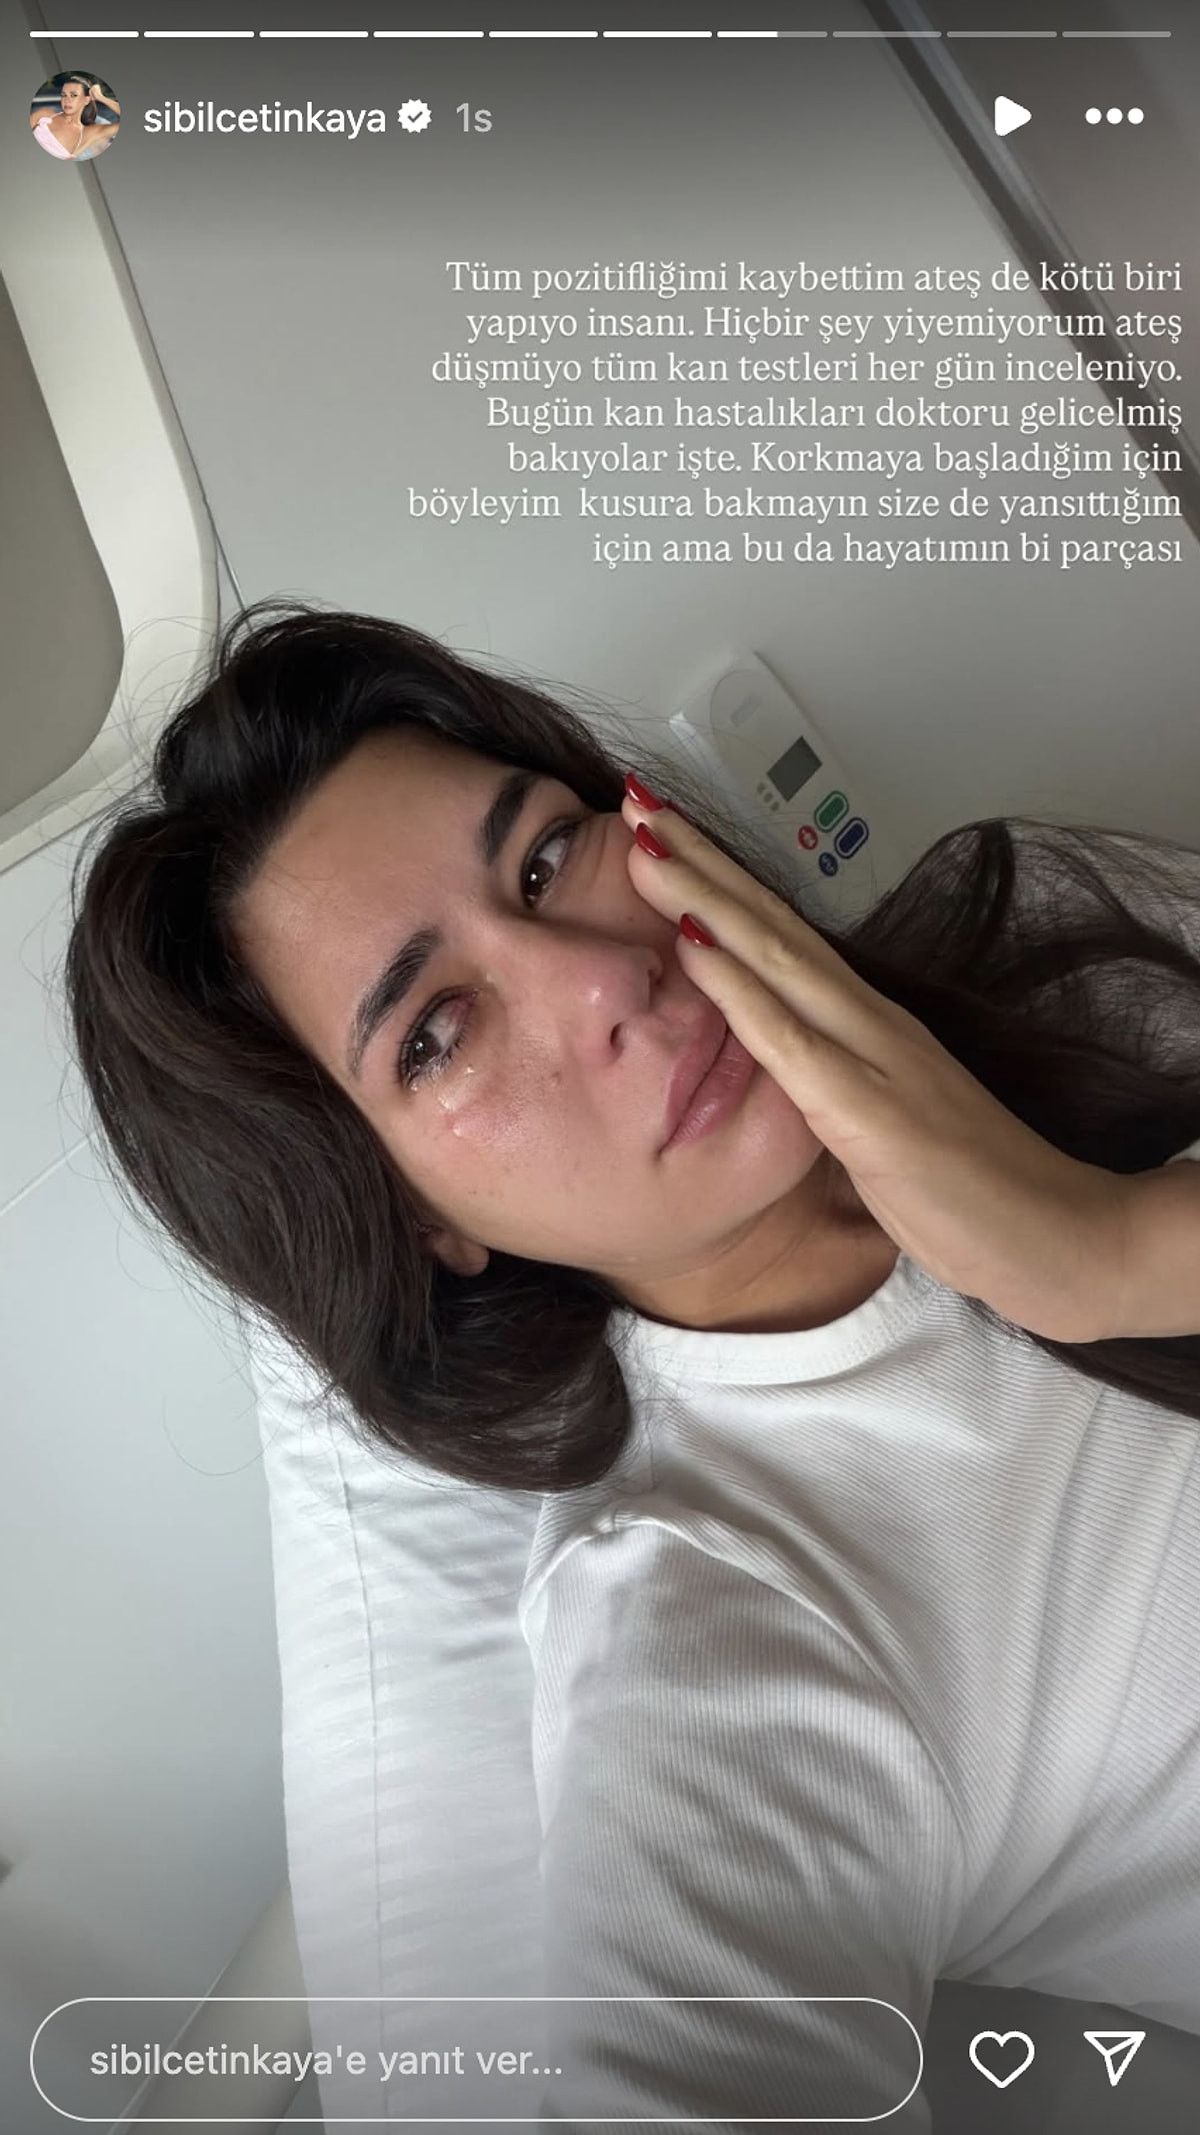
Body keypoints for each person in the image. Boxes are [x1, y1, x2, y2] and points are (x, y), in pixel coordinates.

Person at [63, 598, 1200, 2126]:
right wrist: (1098, 1259)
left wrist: (1113, 1243)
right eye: (436, 1033)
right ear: (415, 1222)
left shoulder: (1062, 957)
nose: (603, 984)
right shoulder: (726, 1636)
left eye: (545, 859)